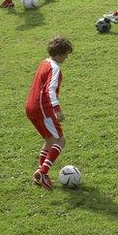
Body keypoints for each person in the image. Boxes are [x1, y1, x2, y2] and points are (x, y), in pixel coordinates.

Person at [26, 37, 73, 190]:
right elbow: (50, 90)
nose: (66, 57)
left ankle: (41, 176)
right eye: (66, 54)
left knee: (49, 140)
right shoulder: (55, 68)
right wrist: (57, 110)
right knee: (60, 140)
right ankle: (42, 172)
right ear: (60, 54)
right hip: (43, 109)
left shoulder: (44, 62)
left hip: (30, 107)